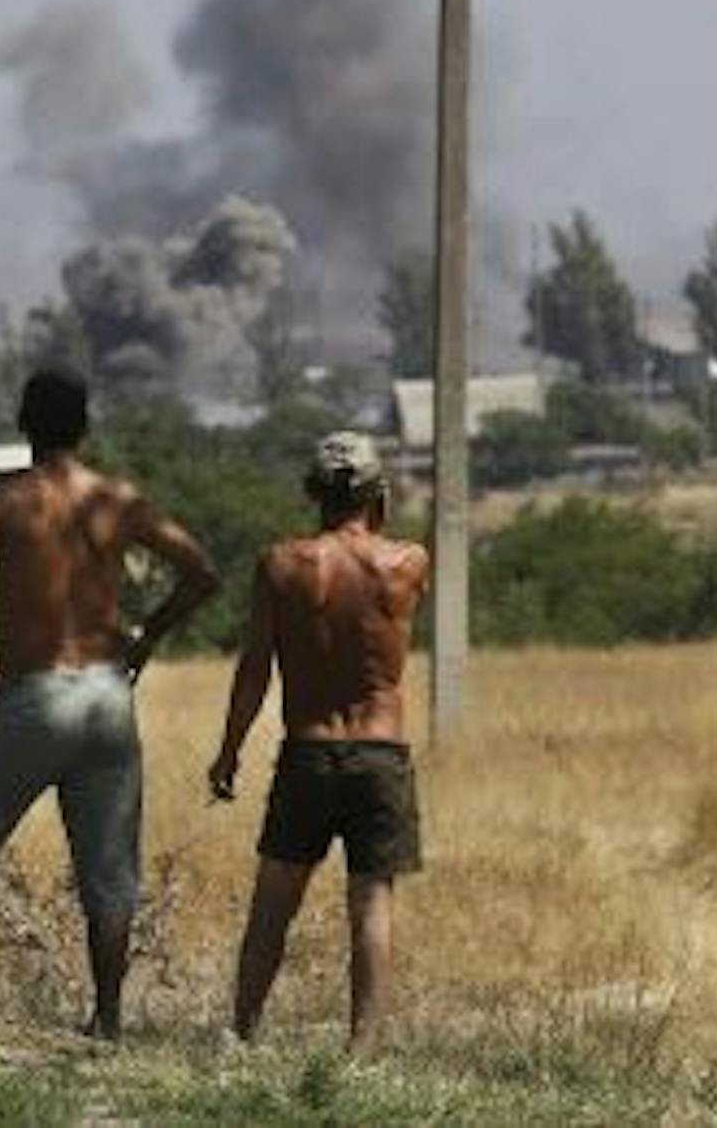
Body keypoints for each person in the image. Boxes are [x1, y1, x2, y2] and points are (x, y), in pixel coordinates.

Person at [0, 366, 220, 1039]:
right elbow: (201, 571)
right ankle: (106, 1023)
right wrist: (145, 640)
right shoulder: (119, 500)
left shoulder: (5, 495)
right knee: (108, 875)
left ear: (23, 423)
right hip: (108, 698)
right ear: (85, 427)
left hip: (39, 695)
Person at [208, 431, 430, 1053]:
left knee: (274, 902)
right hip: (380, 755)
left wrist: (229, 752)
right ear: (376, 495)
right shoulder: (407, 563)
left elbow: (255, 668)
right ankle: (359, 1053)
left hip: (306, 751)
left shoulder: (281, 564)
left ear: (313, 494)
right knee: (371, 903)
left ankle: (242, 1035)